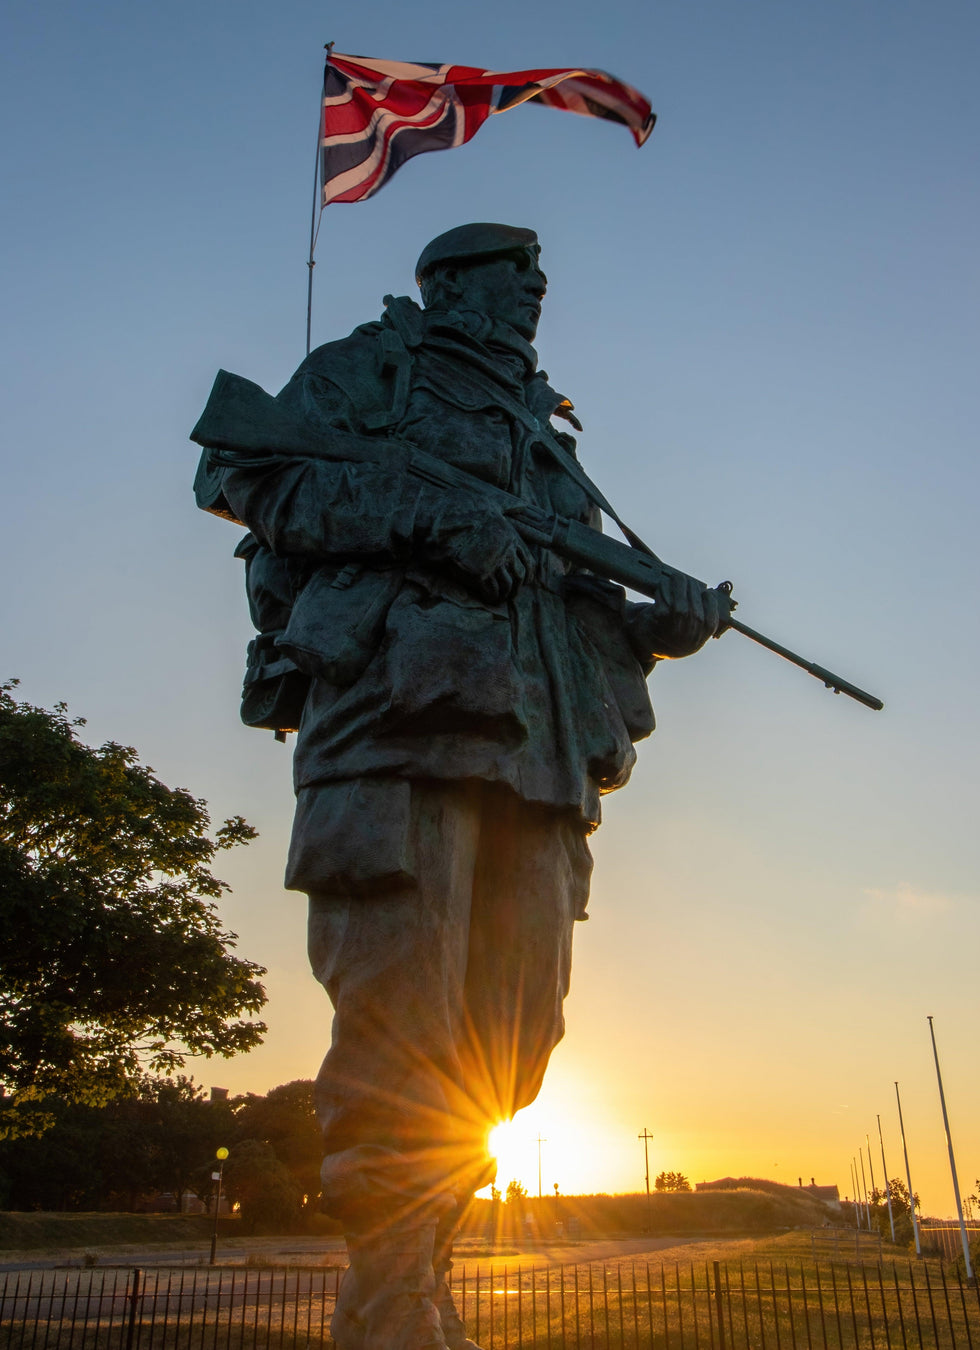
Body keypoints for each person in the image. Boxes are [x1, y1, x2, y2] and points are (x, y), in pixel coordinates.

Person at [217, 223, 726, 1350]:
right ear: (450, 285)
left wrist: (654, 630)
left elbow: (561, 593)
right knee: (402, 1022)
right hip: (399, 730)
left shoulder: (546, 438)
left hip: (536, 755)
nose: (535, 292)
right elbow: (249, 473)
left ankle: (418, 1274)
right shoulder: (367, 374)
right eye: (513, 277)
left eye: (541, 279)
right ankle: (390, 1305)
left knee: (514, 1039)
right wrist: (430, 516)